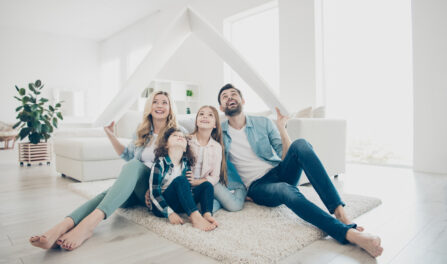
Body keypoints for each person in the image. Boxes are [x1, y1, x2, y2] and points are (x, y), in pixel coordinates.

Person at [217, 83, 383, 258]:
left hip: (278, 172)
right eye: (225, 96)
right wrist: (240, 192)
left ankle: (340, 212)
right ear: (221, 107)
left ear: (242, 100)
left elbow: (286, 154)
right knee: (285, 189)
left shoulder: (263, 123)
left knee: (301, 144)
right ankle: (347, 234)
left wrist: (282, 128)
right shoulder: (219, 133)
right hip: (258, 186)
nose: (230, 98)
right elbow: (218, 165)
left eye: (233, 94)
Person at [29, 90, 180, 250]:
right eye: (155, 101)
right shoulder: (142, 130)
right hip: (137, 190)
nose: (159, 105)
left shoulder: (176, 132)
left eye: (164, 102)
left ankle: (88, 226)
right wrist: (110, 135)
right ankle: (61, 227)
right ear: (149, 106)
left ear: (170, 108)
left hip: (156, 191)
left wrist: (154, 188)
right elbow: (128, 155)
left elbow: (178, 166)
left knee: (134, 166)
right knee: (108, 193)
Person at [148, 127, 216, 231]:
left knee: (207, 185)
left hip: (180, 203)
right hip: (163, 205)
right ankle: (195, 216)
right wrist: (169, 213)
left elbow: (186, 190)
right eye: (175, 136)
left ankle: (207, 214)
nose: (179, 137)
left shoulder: (185, 164)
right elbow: (154, 194)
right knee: (180, 180)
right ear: (166, 145)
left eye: (183, 137)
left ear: (185, 148)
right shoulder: (160, 163)